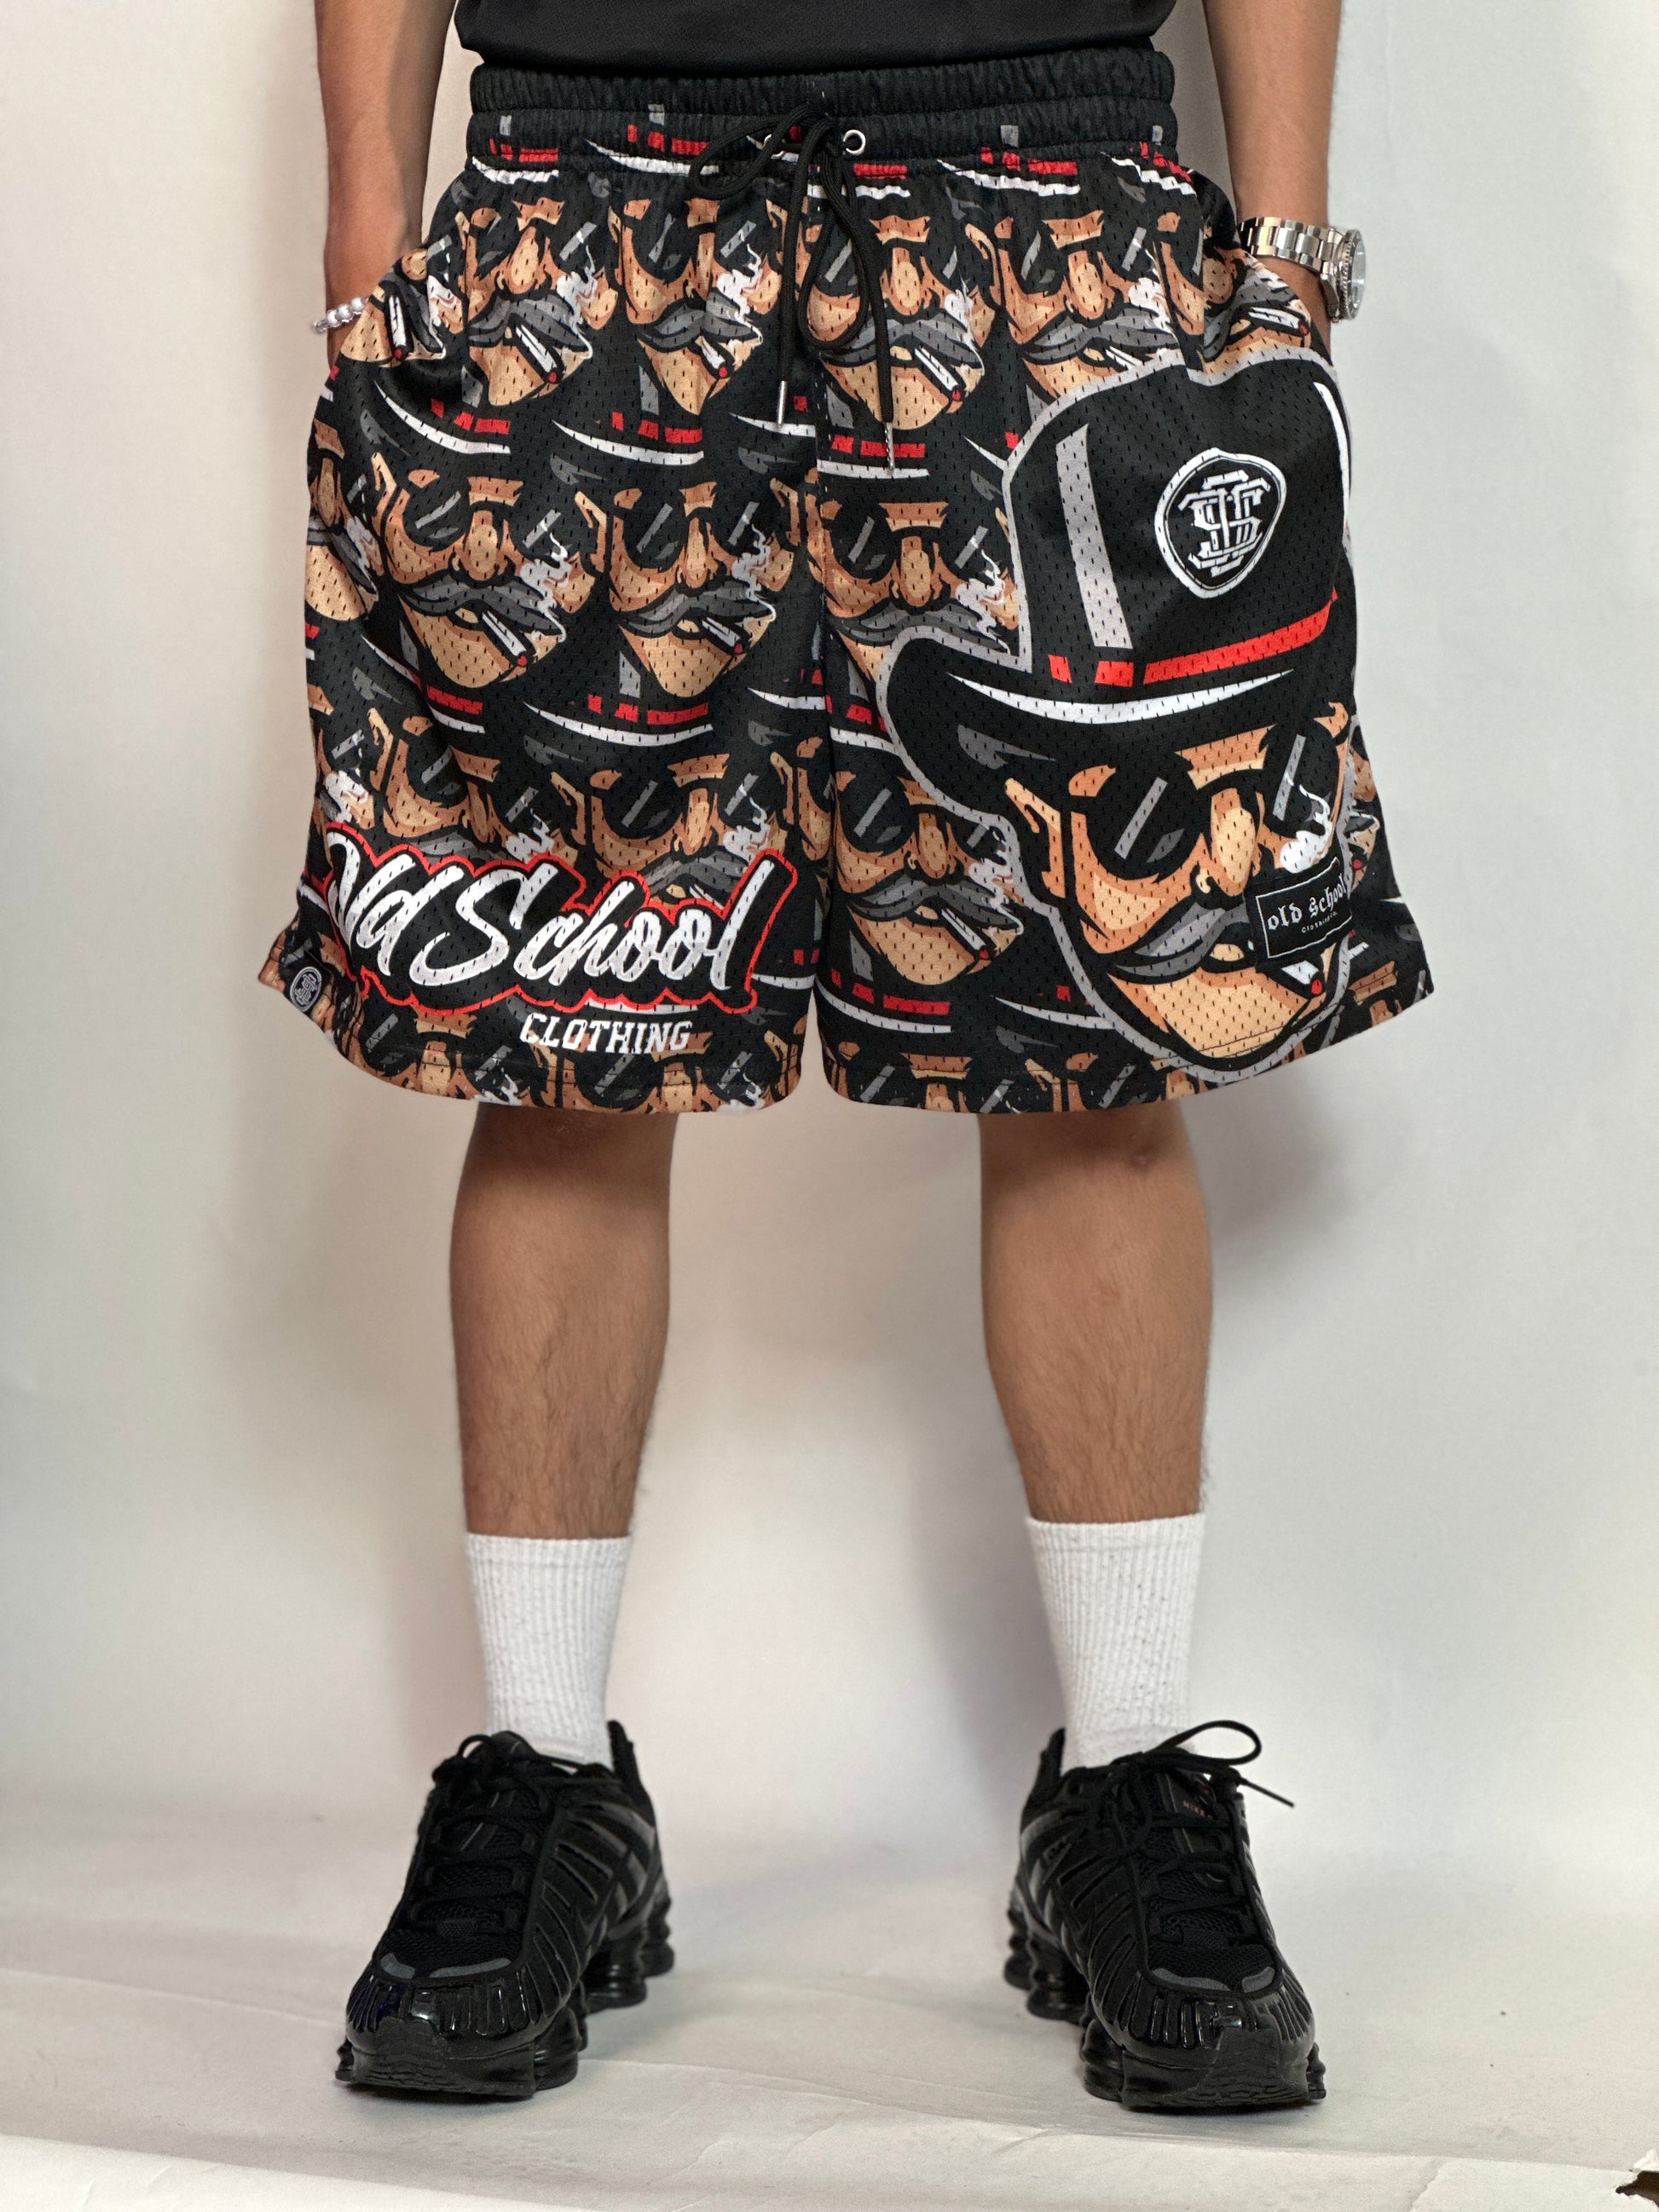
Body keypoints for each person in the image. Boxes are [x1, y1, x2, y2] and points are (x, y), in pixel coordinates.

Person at [265, 0, 1425, 2112]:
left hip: (1050, 202)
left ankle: (1129, 1788)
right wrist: (370, 242)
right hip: (577, 206)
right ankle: (543, 1774)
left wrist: (1278, 261)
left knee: (1089, 1045)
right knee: (566, 1029)